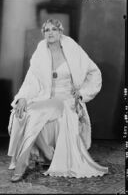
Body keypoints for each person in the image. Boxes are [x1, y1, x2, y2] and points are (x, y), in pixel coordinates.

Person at [7, 19, 108, 182]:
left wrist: (82, 93)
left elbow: (94, 73)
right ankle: (48, 154)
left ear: (60, 32)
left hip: (66, 99)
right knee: (24, 113)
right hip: (45, 97)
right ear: (43, 33)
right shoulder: (41, 50)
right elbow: (31, 79)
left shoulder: (73, 49)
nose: (50, 33)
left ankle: (22, 163)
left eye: (54, 29)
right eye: (47, 30)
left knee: (35, 114)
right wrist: (23, 97)